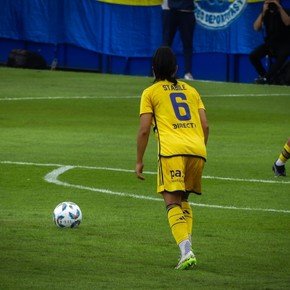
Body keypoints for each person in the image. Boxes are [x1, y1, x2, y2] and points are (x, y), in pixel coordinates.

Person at [135, 46, 209, 270]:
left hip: (172, 152)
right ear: (176, 68)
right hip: (198, 150)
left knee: (171, 202)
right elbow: (205, 125)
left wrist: (139, 160)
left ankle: (186, 252)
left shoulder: (151, 92)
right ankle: (187, 246)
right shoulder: (192, 91)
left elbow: (144, 130)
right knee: (183, 199)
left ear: (153, 69)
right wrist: (197, 148)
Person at [249, 0, 290, 84]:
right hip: (270, 43)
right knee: (253, 56)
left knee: (283, 54)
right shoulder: (265, 13)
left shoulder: (285, 11)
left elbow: (287, 22)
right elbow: (256, 28)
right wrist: (263, 13)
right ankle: (265, 76)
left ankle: (267, 78)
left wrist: (279, 8)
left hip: (284, 43)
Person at [162, 0, 196, 80]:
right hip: (169, 10)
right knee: (166, 44)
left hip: (187, 11)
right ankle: (163, 71)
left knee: (187, 44)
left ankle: (188, 73)